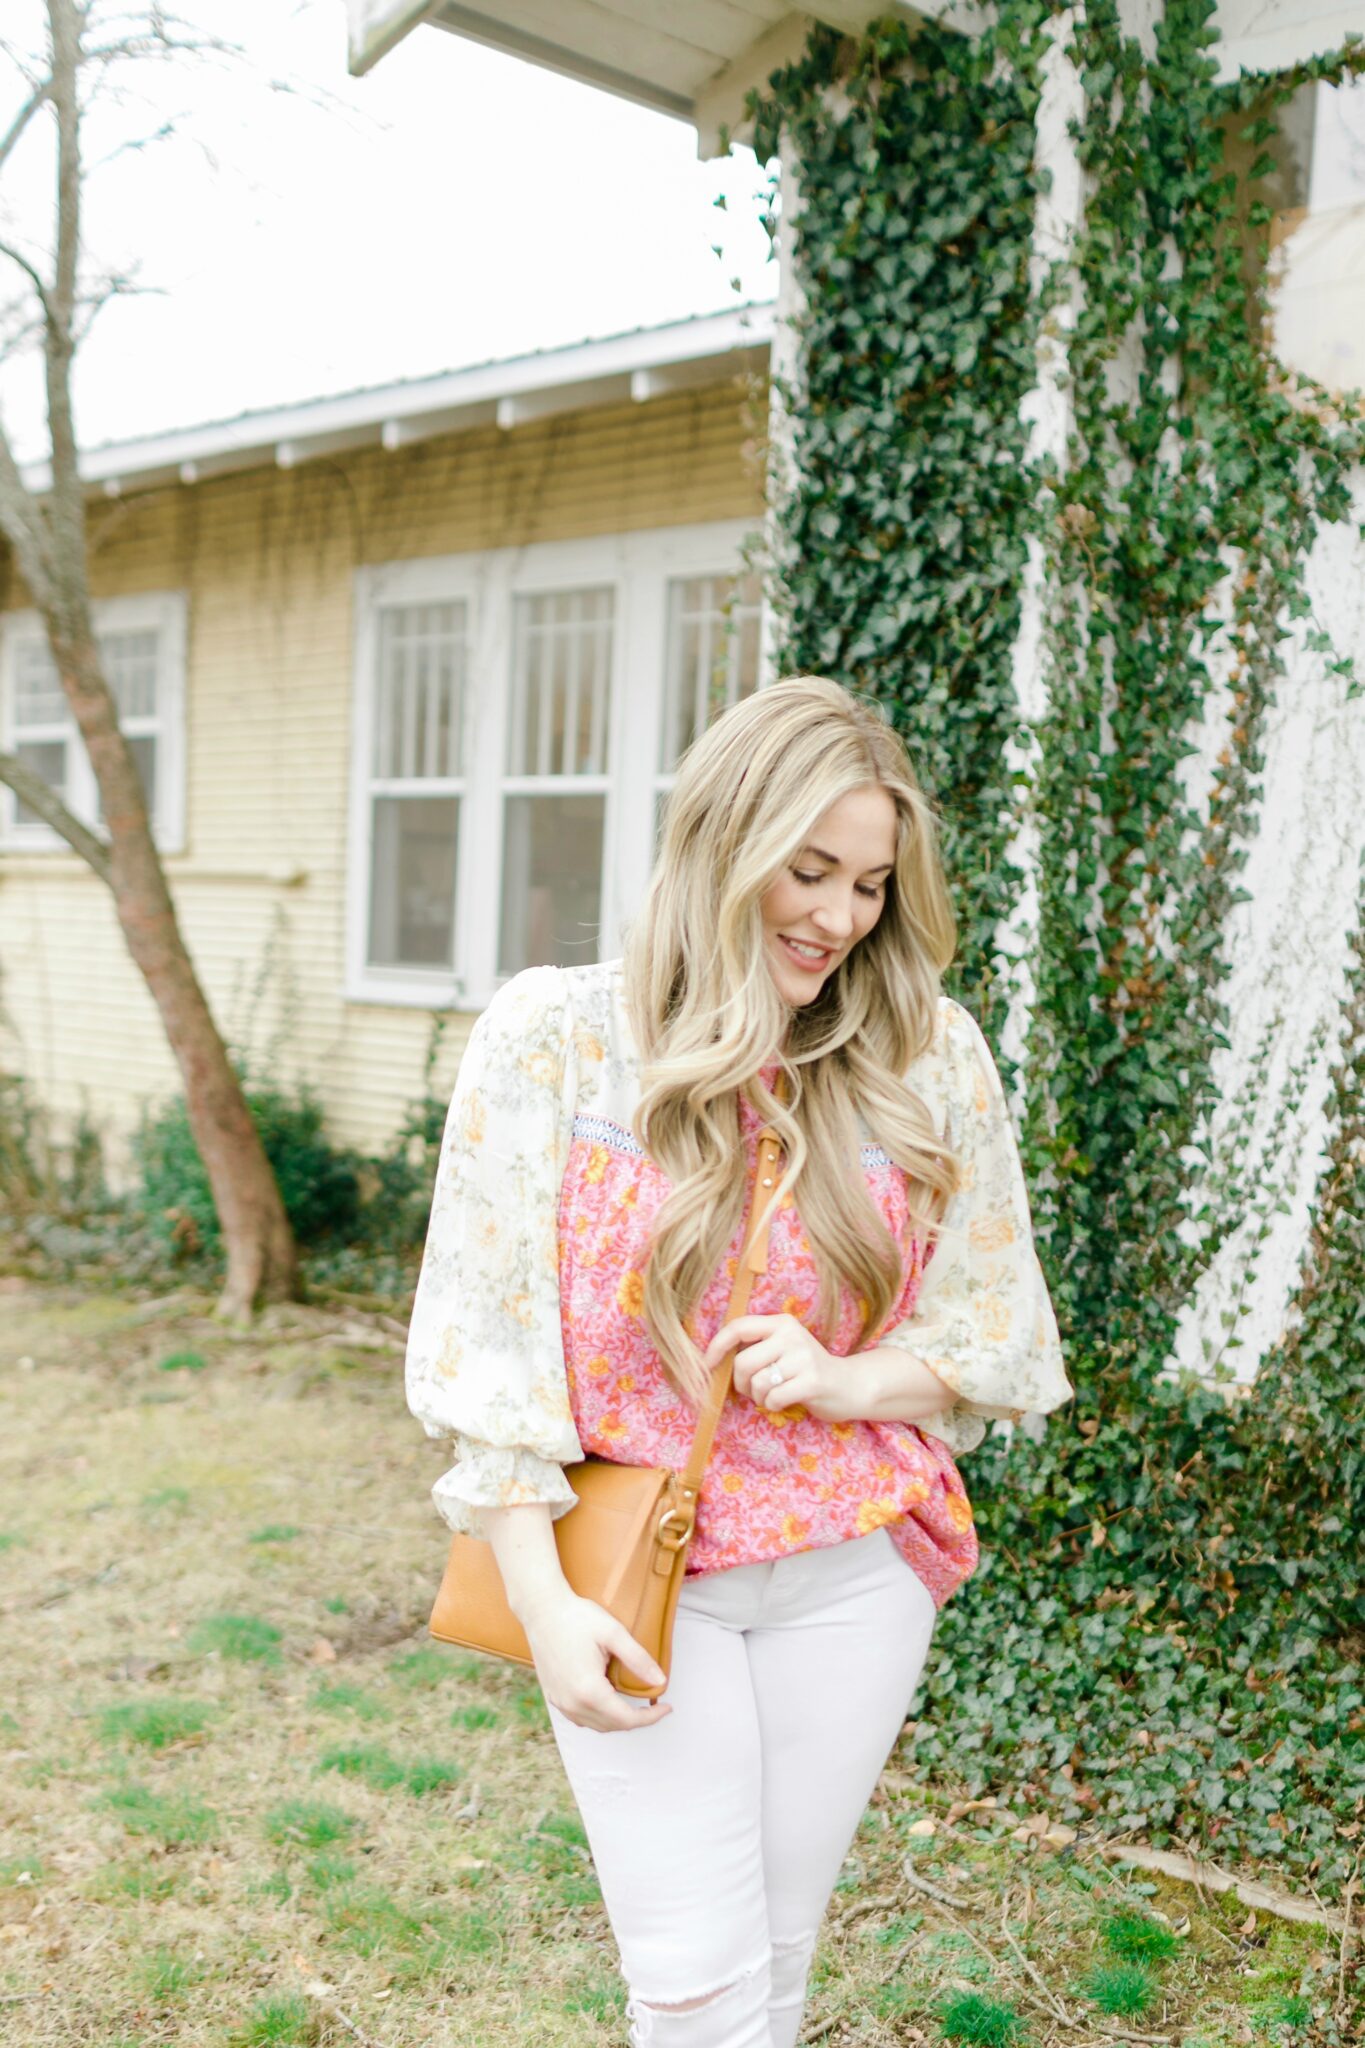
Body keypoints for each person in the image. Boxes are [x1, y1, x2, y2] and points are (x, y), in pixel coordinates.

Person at [405, 675, 1073, 2048]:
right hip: (648, 1583)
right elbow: (491, 1357)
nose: (837, 917)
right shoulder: (558, 1039)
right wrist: (540, 1605)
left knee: (771, 1959)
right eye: (808, 869)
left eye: (871, 883)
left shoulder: (922, 1053)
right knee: (693, 1983)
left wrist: (839, 1381)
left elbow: (987, 1332)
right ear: (718, 843)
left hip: (855, 1572)